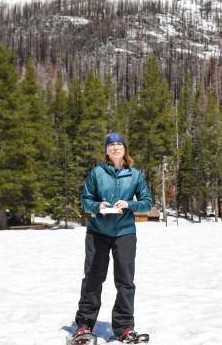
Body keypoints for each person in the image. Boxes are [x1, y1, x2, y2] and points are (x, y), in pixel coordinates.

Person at [72, 132, 154, 344]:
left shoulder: (135, 175)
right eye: (111, 145)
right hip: (98, 232)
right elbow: (85, 200)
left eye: (119, 144)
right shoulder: (97, 173)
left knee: (125, 281)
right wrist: (98, 206)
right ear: (106, 150)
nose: (115, 148)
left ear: (125, 149)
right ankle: (84, 326)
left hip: (125, 233)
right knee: (92, 278)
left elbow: (146, 202)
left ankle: (124, 328)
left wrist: (129, 204)